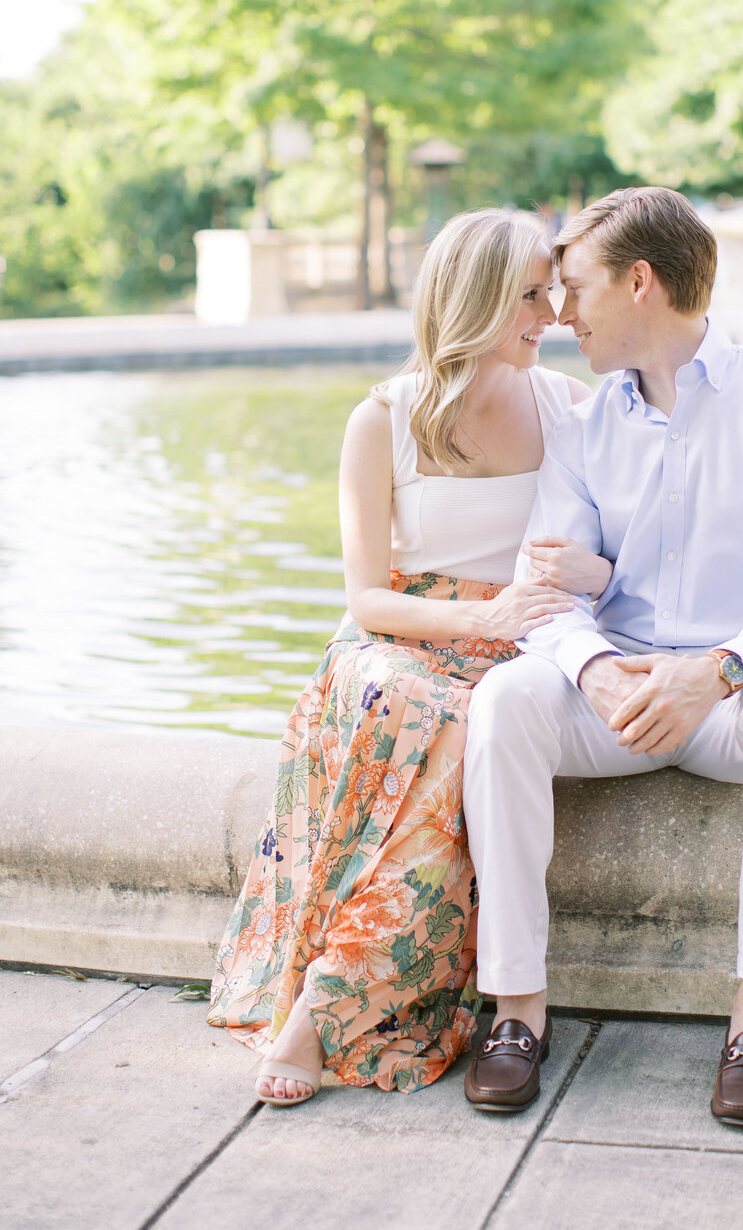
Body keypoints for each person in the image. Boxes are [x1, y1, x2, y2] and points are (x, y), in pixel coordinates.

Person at [462, 186, 743, 1126]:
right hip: (617, 692)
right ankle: (516, 1008)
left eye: (576, 289)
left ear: (640, 282)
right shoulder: (584, 426)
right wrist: (597, 669)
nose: (560, 316)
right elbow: (546, 591)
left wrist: (716, 671)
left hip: (732, 696)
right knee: (508, 699)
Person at [207, 208, 607, 1105]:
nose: (551, 314)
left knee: (480, 717)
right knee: (426, 710)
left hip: (524, 645)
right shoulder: (381, 419)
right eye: (529, 297)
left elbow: (623, 547)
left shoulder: (568, 407)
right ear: (472, 301)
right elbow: (366, 599)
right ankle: (323, 1006)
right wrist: (479, 622)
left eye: (551, 292)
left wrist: (583, 578)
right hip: (403, 645)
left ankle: (327, 1003)